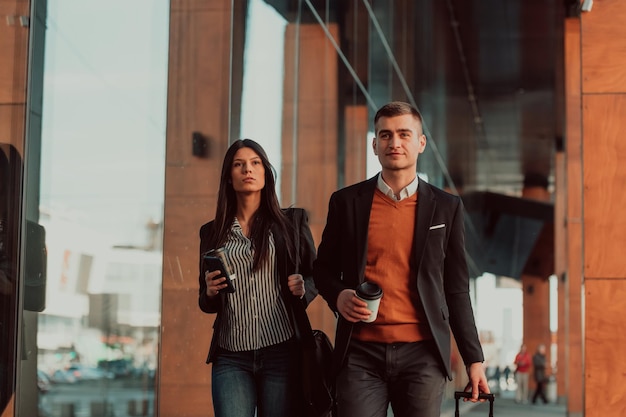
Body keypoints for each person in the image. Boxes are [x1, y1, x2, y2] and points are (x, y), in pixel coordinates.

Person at [313, 101, 490, 417]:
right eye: (385, 135)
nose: (394, 143)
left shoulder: (447, 208)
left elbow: (457, 289)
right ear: (374, 145)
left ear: (421, 143)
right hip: (359, 353)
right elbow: (322, 269)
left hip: (422, 354)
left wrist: (473, 360)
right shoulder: (346, 202)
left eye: (404, 134)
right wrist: (338, 295)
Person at [198, 139, 318, 417]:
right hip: (231, 356)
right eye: (238, 165)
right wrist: (210, 292)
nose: (247, 170)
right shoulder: (212, 232)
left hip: (281, 352)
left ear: (266, 173)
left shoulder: (291, 223)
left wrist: (303, 288)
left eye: (255, 163)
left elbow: (316, 274)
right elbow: (205, 301)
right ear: (229, 177)